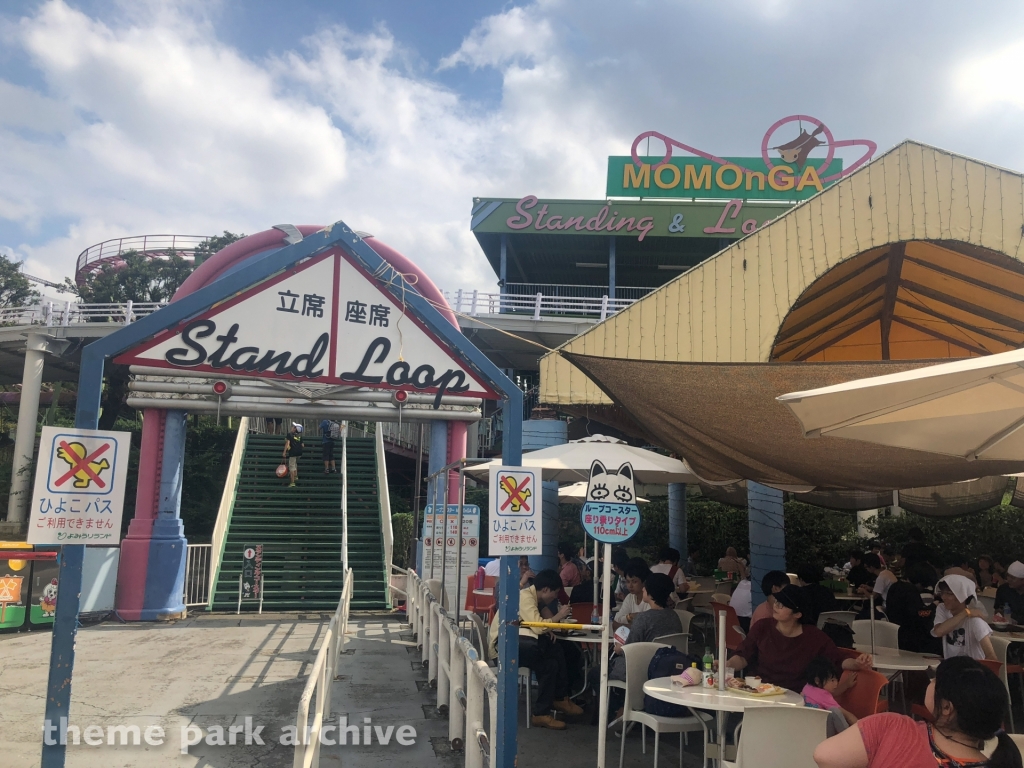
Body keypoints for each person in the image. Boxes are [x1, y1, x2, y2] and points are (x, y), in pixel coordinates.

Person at [813, 656, 1022, 768]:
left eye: (935, 681)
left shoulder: (893, 727)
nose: (930, 681)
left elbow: (824, 756)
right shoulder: (998, 760)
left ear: (947, 708)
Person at [726, 585, 873, 692]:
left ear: (797, 614)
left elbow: (838, 659)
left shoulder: (814, 637)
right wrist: (726, 665)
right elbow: (743, 656)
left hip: (795, 700)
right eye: (776, 602)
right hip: (757, 693)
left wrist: (858, 663)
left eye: (782, 605)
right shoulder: (762, 627)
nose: (776, 606)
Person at [487, 569, 583, 729]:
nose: (555, 597)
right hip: (502, 648)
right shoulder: (525, 598)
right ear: (545, 589)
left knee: (550, 665)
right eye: (555, 593)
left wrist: (550, 627)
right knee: (558, 649)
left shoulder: (534, 598)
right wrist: (559, 616)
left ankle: (542, 713)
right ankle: (560, 698)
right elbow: (538, 627)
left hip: (514, 643)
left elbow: (541, 620)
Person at [932, 574, 996, 661]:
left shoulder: (975, 621)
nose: (944, 597)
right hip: (951, 668)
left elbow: (991, 656)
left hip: (971, 669)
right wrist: (965, 613)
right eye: (942, 593)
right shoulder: (942, 609)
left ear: (962, 595)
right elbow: (938, 631)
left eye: (949, 593)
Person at [885, 564, 940, 654]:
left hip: (896, 631)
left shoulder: (895, 586)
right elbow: (919, 615)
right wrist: (934, 606)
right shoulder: (909, 590)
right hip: (909, 637)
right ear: (920, 581)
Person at [802, 656, 857, 735]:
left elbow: (831, 694)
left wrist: (846, 685)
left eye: (836, 680)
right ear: (817, 680)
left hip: (808, 730)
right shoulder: (824, 696)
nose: (836, 683)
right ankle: (849, 738)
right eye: (832, 680)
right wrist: (863, 729)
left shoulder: (807, 688)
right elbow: (847, 715)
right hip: (822, 733)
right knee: (835, 712)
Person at [613, 558, 650, 629]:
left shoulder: (650, 599)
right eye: (627, 581)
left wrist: (624, 625)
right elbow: (616, 621)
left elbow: (645, 626)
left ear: (644, 581)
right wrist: (630, 617)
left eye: (634, 582)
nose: (630, 586)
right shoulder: (630, 597)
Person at [282, 422, 303, 487]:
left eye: (294, 427)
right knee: (295, 464)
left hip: (292, 453)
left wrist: (284, 452)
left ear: (295, 429)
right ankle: (296, 476)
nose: (292, 427)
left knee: (291, 467)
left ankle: (292, 482)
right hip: (299, 453)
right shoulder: (299, 436)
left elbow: (287, 444)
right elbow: (303, 445)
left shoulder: (289, 434)